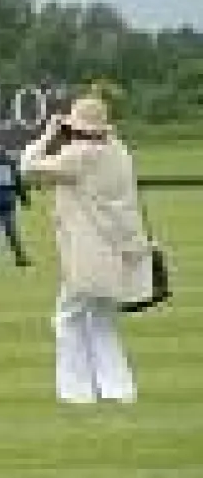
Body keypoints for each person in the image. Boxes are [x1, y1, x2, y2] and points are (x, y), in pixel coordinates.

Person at [20, 95, 154, 404]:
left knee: (66, 318)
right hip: (119, 251)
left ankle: (77, 392)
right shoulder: (119, 152)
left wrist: (49, 134)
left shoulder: (78, 156)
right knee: (101, 322)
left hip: (89, 255)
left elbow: (27, 168)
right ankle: (119, 390)